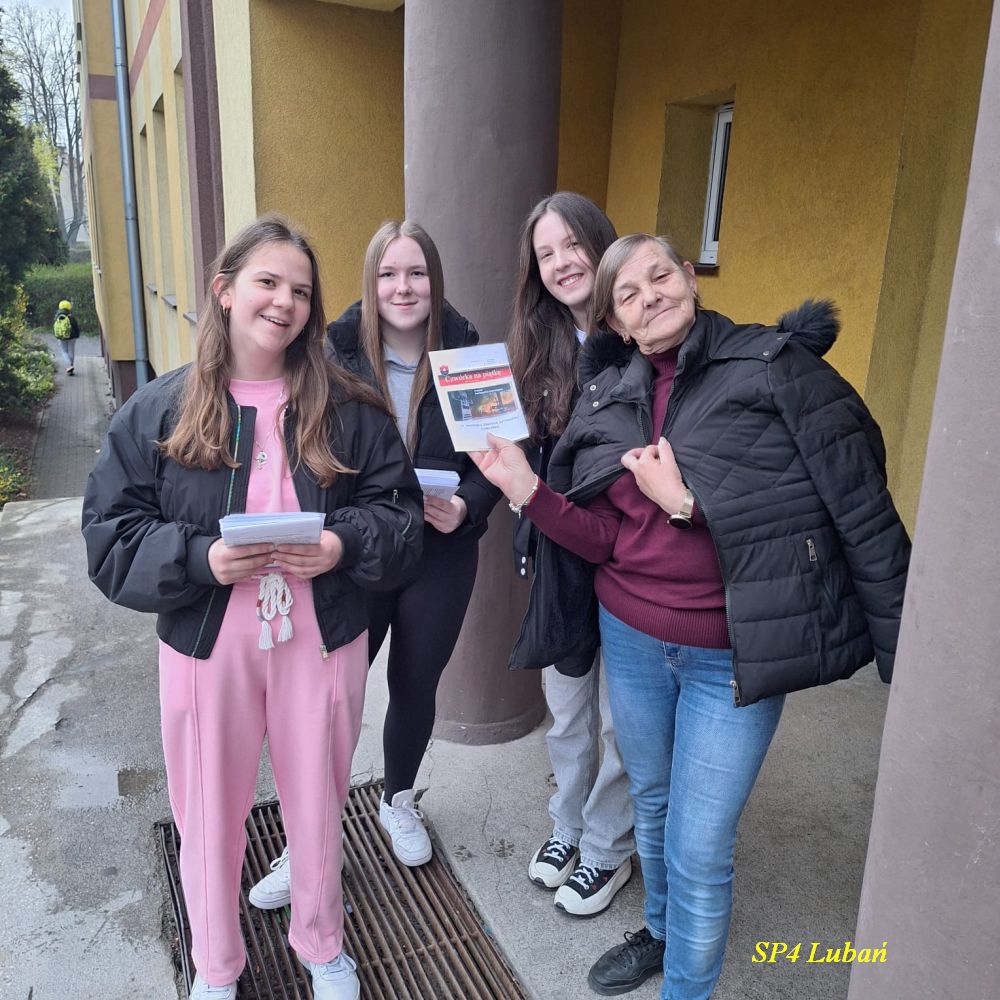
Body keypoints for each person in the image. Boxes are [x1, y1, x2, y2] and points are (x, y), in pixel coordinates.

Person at [472, 233, 911, 999]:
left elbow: (851, 501)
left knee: (700, 848)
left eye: (660, 276)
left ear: (689, 278)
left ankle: (685, 986)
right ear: (616, 323)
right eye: (629, 294)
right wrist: (528, 492)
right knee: (652, 805)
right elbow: (604, 538)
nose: (650, 297)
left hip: (729, 656)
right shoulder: (609, 398)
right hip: (632, 641)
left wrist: (686, 503)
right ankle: (661, 931)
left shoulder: (771, 367)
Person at [82, 215, 423, 1000]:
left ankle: (321, 942)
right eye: (268, 282)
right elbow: (110, 535)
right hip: (208, 644)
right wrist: (199, 558)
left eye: (301, 291)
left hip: (323, 636)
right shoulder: (161, 410)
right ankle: (217, 965)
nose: (285, 302)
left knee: (318, 804)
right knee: (207, 812)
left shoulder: (350, 406)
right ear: (225, 290)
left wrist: (340, 544)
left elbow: (400, 515)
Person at [247, 220, 498, 904]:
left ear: (434, 280)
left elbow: (497, 459)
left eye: (416, 273)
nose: (402, 287)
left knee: (415, 683)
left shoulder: (468, 353)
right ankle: (307, 840)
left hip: (441, 552)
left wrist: (468, 505)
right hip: (359, 548)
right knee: (329, 699)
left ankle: (397, 800)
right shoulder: (333, 353)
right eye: (388, 274)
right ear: (371, 281)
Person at [507, 192, 635, 918]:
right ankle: (568, 824)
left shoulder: (642, 333)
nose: (560, 263)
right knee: (567, 709)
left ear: (600, 243)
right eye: (545, 253)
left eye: (571, 245)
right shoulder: (538, 345)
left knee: (620, 718)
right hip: (561, 553)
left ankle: (608, 845)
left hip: (631, 554)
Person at [53, 298, 81, 374]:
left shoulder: (57, 317)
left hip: (61, 336)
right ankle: (71, 366)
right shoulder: (70, 317)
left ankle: (69, 366)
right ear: (69, 307)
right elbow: (76, 327)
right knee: (71, 351)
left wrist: (57, 335)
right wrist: (77, 335)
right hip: (72, 336)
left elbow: (55, 327)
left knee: (64, 351)